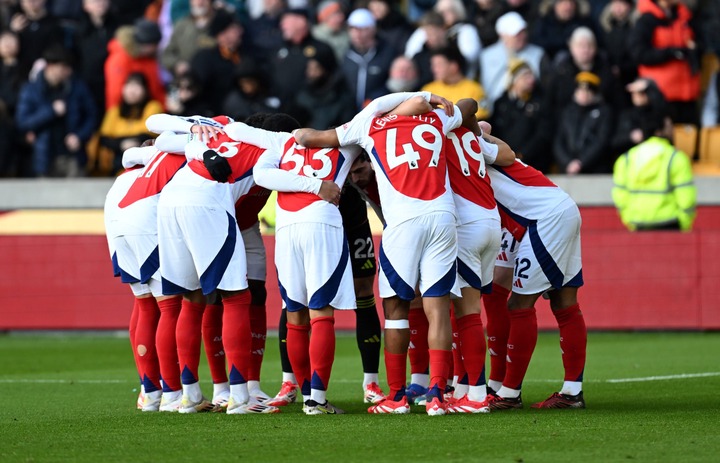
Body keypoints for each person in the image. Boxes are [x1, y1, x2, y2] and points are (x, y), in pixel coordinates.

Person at [295, 91, 477, 415]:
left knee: (395, 311)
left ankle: (396, 396)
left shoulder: (369, 125)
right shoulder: (436, 119)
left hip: (404, 222)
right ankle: (437, 394)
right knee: (438, 306)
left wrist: (292, 137)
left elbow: (311, 138)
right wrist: (435, 100)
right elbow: (469, 106)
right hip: (443, 216)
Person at [154, 115, 280, 415]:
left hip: (171, 201)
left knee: (190, 299)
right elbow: (157, 130)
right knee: (237, 297)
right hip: (209, 202)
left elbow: (159, 136)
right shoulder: (277, 144)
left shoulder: (219, 128)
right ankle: (239, 398)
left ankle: (191, 396)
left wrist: (197, 142)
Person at [237, 113, 356, 414]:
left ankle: (306, 394)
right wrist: (318, 187)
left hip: (287, 231)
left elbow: (261, 172)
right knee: (321, 314)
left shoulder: (280, 141)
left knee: (295, 315)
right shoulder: (347, 140)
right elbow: (380, 108)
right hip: (322, 225)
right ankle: (316, 399)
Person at [483, 146, 587, 411]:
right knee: (564, 304)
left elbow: (478, 117)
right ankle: (572, 392)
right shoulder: (472, 143)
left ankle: (509, 394)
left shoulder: (466, 144)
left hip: (544, 219)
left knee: (519, 305)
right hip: (560, 208)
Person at [442, 119, 516, 413]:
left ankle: (475, 394)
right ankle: (464, 387)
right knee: (467, 308)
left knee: (466, 312)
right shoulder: (469, 138)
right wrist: (481, 132)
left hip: (466, 225)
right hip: (490, 221)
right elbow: (509, 155)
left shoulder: (434, 135)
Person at [104, 146, 158, 410]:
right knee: (167, 308)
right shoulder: (158, 172)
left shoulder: (121, 179)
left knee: (143, 303)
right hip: (146, 232)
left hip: (118, 236)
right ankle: (166, 389)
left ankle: (148, 389)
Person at [15, 45, 97, 177]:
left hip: (72, 157)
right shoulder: (30, 90)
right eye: (63, 67)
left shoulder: (77, 87)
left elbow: (91, 116)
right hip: (44, 157)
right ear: (50, 66)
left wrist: (79, 136)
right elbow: (23, 122)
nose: (67, 72)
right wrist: (51, 111)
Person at [612, 113, 697, 231]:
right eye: (669, 126)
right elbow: (686, 197)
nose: (672, 130)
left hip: (637, 223)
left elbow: (620, 197)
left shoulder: (625, 159)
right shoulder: (676, 158)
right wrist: (683, 223)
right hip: (671, 223)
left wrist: (630, 220)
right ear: (659, 131)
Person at [629, 0, 702, 125]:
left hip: (687, 93)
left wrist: (694, 50)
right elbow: (638, 53)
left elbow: (699, 41)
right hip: (661, 96)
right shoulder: (647, 19)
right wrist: (670, 53)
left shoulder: (685, 16)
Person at [89, 72, 163, 176]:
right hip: (116, 157)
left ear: (145, 90)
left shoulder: (153, 107)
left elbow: (150, 134)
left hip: (144, 157)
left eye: (137, 86)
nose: (132, 91)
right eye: (129, 86)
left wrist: (132, 142)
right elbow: (104, 138)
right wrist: (121, 144)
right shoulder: (114, 111)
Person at [490, 59, 553, 173]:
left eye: (531, 75)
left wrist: (522, 154)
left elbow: (543, 134)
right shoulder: (500, 103)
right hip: (505, 162)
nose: (531, 80)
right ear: (514, 80)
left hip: (534, 164)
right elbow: (496, 132)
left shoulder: (541, 102)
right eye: (525, 76)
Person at [480, 11, 551, 108]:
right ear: (502, 35)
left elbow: (546, 86)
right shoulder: (486, 56)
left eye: (523, 32)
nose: (522, 36)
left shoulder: (539, 54)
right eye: (516, 34)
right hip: (494, 110)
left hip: (529, 108)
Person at [188, 8, 249, 115]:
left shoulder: (247, 54)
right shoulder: (205, 58)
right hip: (212, 114)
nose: (239, 31)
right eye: (224, 32)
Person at [553, 71, 614, 174]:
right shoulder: (568, 112)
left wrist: (581, 162)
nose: (583, 94)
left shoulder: (604, 112)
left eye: (588, 91)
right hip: (567, 169)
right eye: (580, 91)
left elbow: (601, 141)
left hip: (595, 170)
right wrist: (567, 162)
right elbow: (559, 141)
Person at [404, 0, 482, 79]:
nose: (432, 37)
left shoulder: (455, 53)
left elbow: (470, 58)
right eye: (428, 34)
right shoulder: (420, 56)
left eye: (434, 33)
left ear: (443, 29)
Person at [73, 0, 119, 126]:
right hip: (88, 84)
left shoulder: (118, 27)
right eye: (95, 1)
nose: (100, 3)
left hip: (113, 82)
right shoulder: (79, 31)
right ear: (85, 6)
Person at [104, 18, 166, 111]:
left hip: (149, 111)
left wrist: (165, 108)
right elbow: (115, 93)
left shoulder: (149, 58)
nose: (157, 48)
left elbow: (155, 87)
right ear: (147, 45)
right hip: (126, 115)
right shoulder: (120, 58)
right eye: (155, 45)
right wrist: (115, 117)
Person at [342, 8, 396, 111]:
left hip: (378, 111)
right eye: (352, 29)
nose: (357, 34)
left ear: (373, 29)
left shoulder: (387, 53)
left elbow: (392, 84)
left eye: (362, 29)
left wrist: (375, 99)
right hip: (349, 114)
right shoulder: (346, 55)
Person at [291, 45, 355, 129]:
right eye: (309, 68)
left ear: (327, 70)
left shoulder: (342, 98)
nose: (311, 73)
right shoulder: (301, 95)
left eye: (316, 68)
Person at [421, 46, 490, 119]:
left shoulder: (474, 89)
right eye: (433, 65)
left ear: (454, 66)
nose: (434, 69)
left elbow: (480, 120)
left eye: (439, 65)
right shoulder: (428, 90)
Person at [160, 0, 217, 78]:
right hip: (187, 81)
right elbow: (167, 54)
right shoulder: (182, 25)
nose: (199, 2)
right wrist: (177, 64)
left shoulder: (221, 22)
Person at [531, 0, 596, 61]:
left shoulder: (584, 22)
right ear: (555, 5)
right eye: (563, 2)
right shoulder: (544, 22)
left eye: (571, 2)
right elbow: (538, 44)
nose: (568, 7)